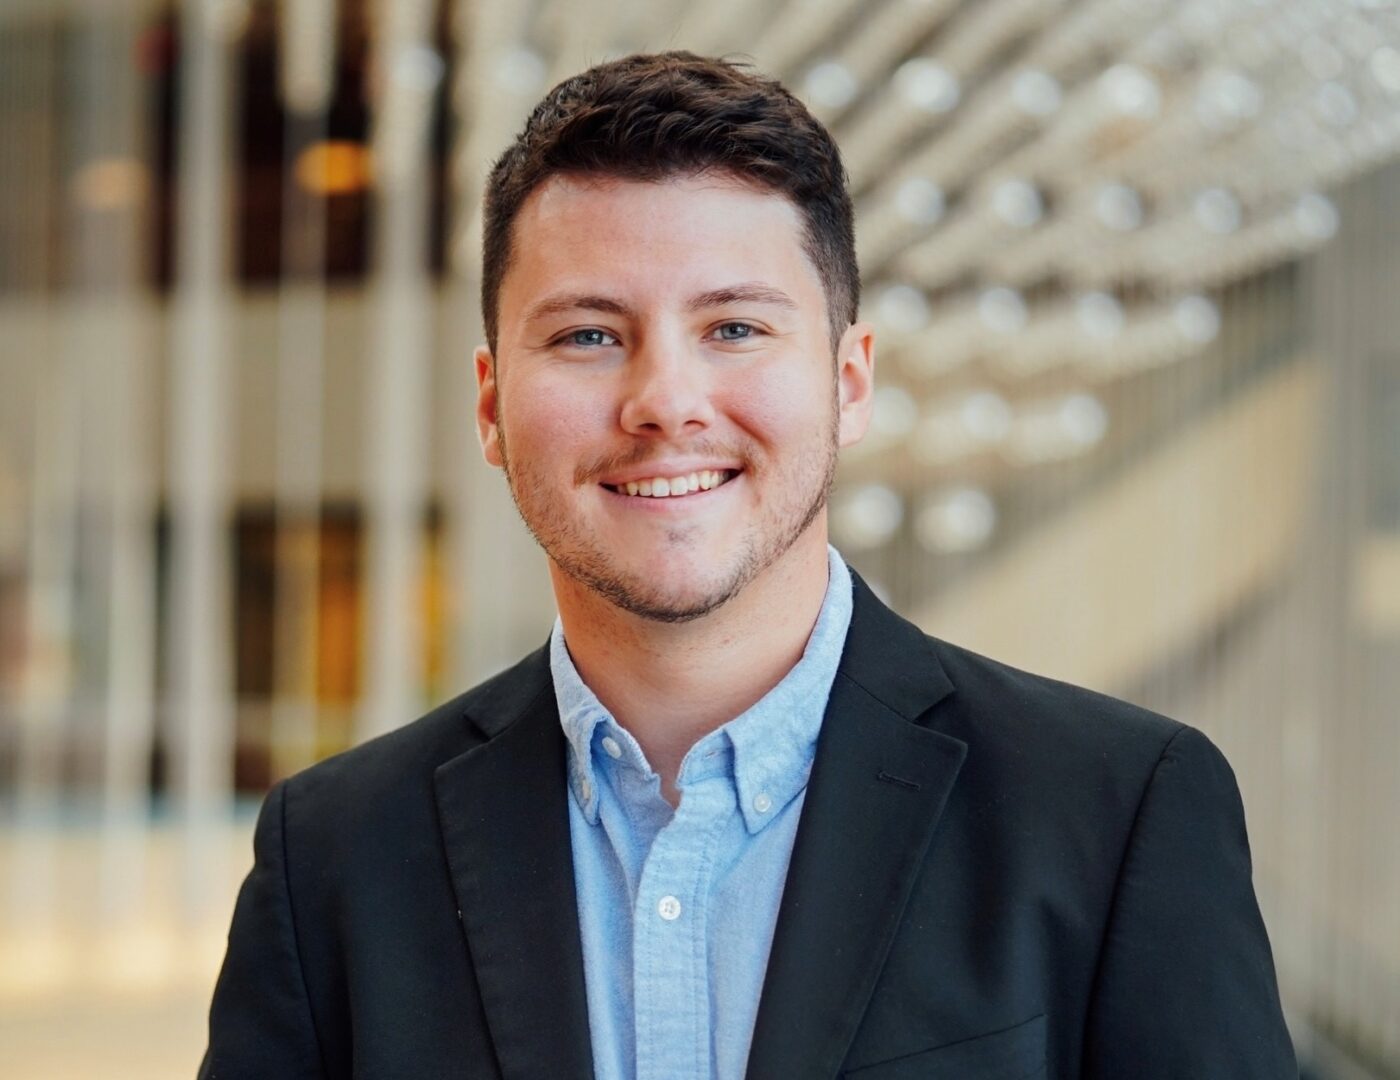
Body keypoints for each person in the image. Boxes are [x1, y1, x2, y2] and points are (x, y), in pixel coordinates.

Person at [201, 52, 1297, 1079]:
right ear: (490, 406)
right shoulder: (334, 860)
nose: (664, 401)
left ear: (848, 381)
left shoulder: (1115, 815)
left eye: (732, 328)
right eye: (587, 334)